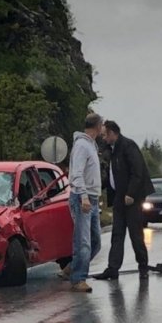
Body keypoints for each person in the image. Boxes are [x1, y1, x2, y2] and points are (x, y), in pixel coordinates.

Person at [95, 120, 155, 280]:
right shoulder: (111, 150)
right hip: (118, 197)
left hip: (132, 198)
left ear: (113, 133)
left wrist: (131, 193)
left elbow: (138, 172)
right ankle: (113, 268)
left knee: (136, 234)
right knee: (117, 234)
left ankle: (143, 266)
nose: (103, 138)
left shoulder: (128, 146)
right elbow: (111, 173)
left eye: (104, 135)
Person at [63, 113, 103, 293]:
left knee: (95, 242)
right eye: (102, 126)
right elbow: (76, 174)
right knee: (83, 241)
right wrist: (84, 197)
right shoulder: (81, 146)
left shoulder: (91, 146)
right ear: (97, 126)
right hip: (82, 198)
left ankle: (72, 267)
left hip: (92, 198)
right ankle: (78, 278)